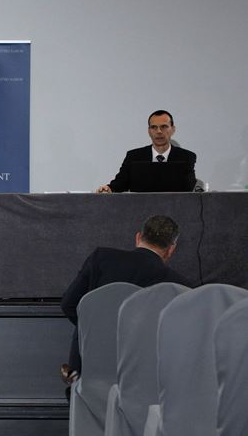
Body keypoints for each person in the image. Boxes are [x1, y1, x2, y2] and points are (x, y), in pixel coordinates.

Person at [59, 215, 191, 393]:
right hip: (141, 381)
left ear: (138, 237)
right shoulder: (178, 285)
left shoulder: (101, 259)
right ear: (171, 249)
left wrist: (97, 333)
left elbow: (68, 304)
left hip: (86, 372)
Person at [96, 110, 197, 193]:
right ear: (149, 131)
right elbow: (120, 183)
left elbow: (189, 187)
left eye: (164, 126)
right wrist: (109, 189)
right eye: (154, 127)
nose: (159, 131)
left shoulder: (186, 157)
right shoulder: (134, 156)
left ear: (173, 129)